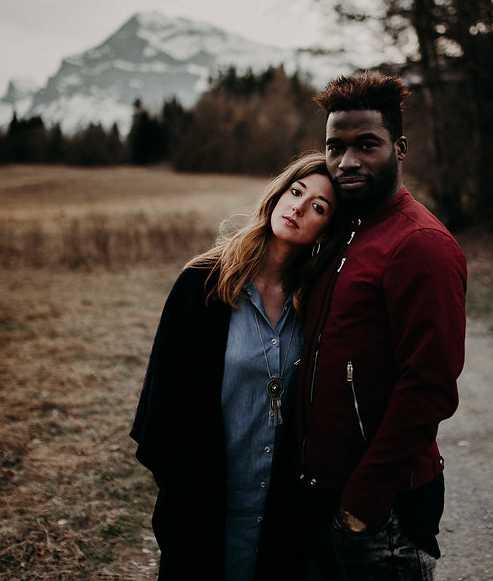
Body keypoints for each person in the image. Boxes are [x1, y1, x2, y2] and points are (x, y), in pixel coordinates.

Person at [131, 151, 344, 581]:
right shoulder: (202, 284)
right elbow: (160, 404)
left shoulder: (315, 302)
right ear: (277, 195)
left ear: (326, 230)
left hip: (278, 510)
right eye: (296, 191)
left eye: (318, 207)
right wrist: (185, 491)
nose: (299, 207)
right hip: (205, 502)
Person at [293, 74, 468, 580]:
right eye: (335, 147)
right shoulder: (343, 233)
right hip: (321, 498)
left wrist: (363, 503)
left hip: (382, 510)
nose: (347, 161)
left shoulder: (420, 244)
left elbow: (429, 387)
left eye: (367, 145)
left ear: (399, 148)